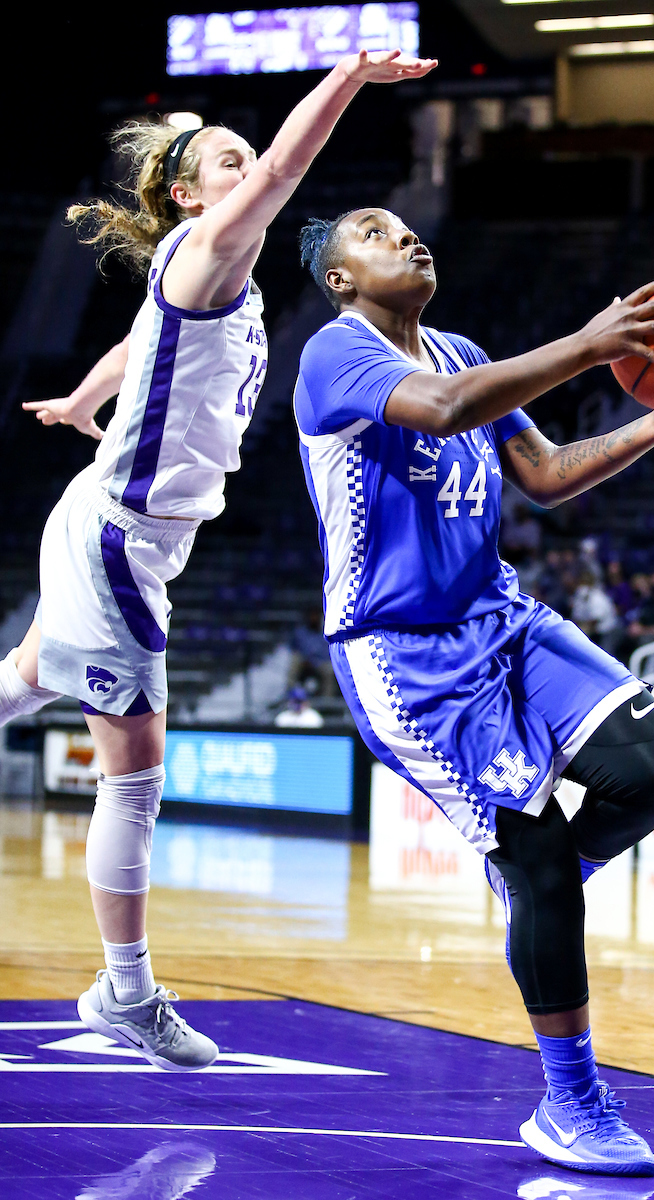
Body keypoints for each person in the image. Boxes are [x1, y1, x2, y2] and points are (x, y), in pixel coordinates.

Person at [0, 48, 436, 1072]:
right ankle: (127, 991)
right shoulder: (208, 247)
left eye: (248, 160)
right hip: (117, 538)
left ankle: (125, 989)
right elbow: (287, 170)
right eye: (230, 163)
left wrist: (84, 398)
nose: (254, 172)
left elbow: (137, 342)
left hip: (120, 529)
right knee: (135, 778)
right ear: (191, 195)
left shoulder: (213, 277)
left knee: (21, 685)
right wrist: (345, 82)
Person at [293, 206, 654, 1176]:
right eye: (375, 234)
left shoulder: (461, 348)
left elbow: (540, 473)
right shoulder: (334, 357)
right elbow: (446, 409)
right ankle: (568, 1101)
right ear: (339, 279)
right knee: (538, 861)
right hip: (402, 653)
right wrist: (586, 347)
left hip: (501, 618)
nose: (407, 238)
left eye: (410, 229)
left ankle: (533, 883)